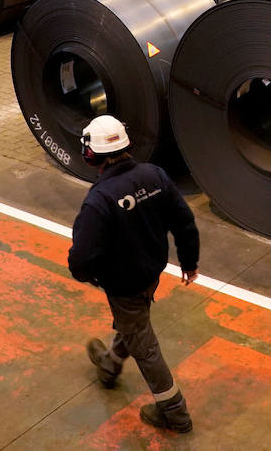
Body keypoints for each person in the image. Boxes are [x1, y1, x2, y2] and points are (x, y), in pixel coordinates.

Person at [67, 115, 200, 434]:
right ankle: (110, 364)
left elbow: (81, 260)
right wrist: (189, 262)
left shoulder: (100, 199)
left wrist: (92, 274)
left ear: (91, 155)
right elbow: (183, 222)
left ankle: (175, 412)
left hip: (124, 283)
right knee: (135, 323)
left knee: (145, 346)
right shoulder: (155, 175)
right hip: (151, 272)